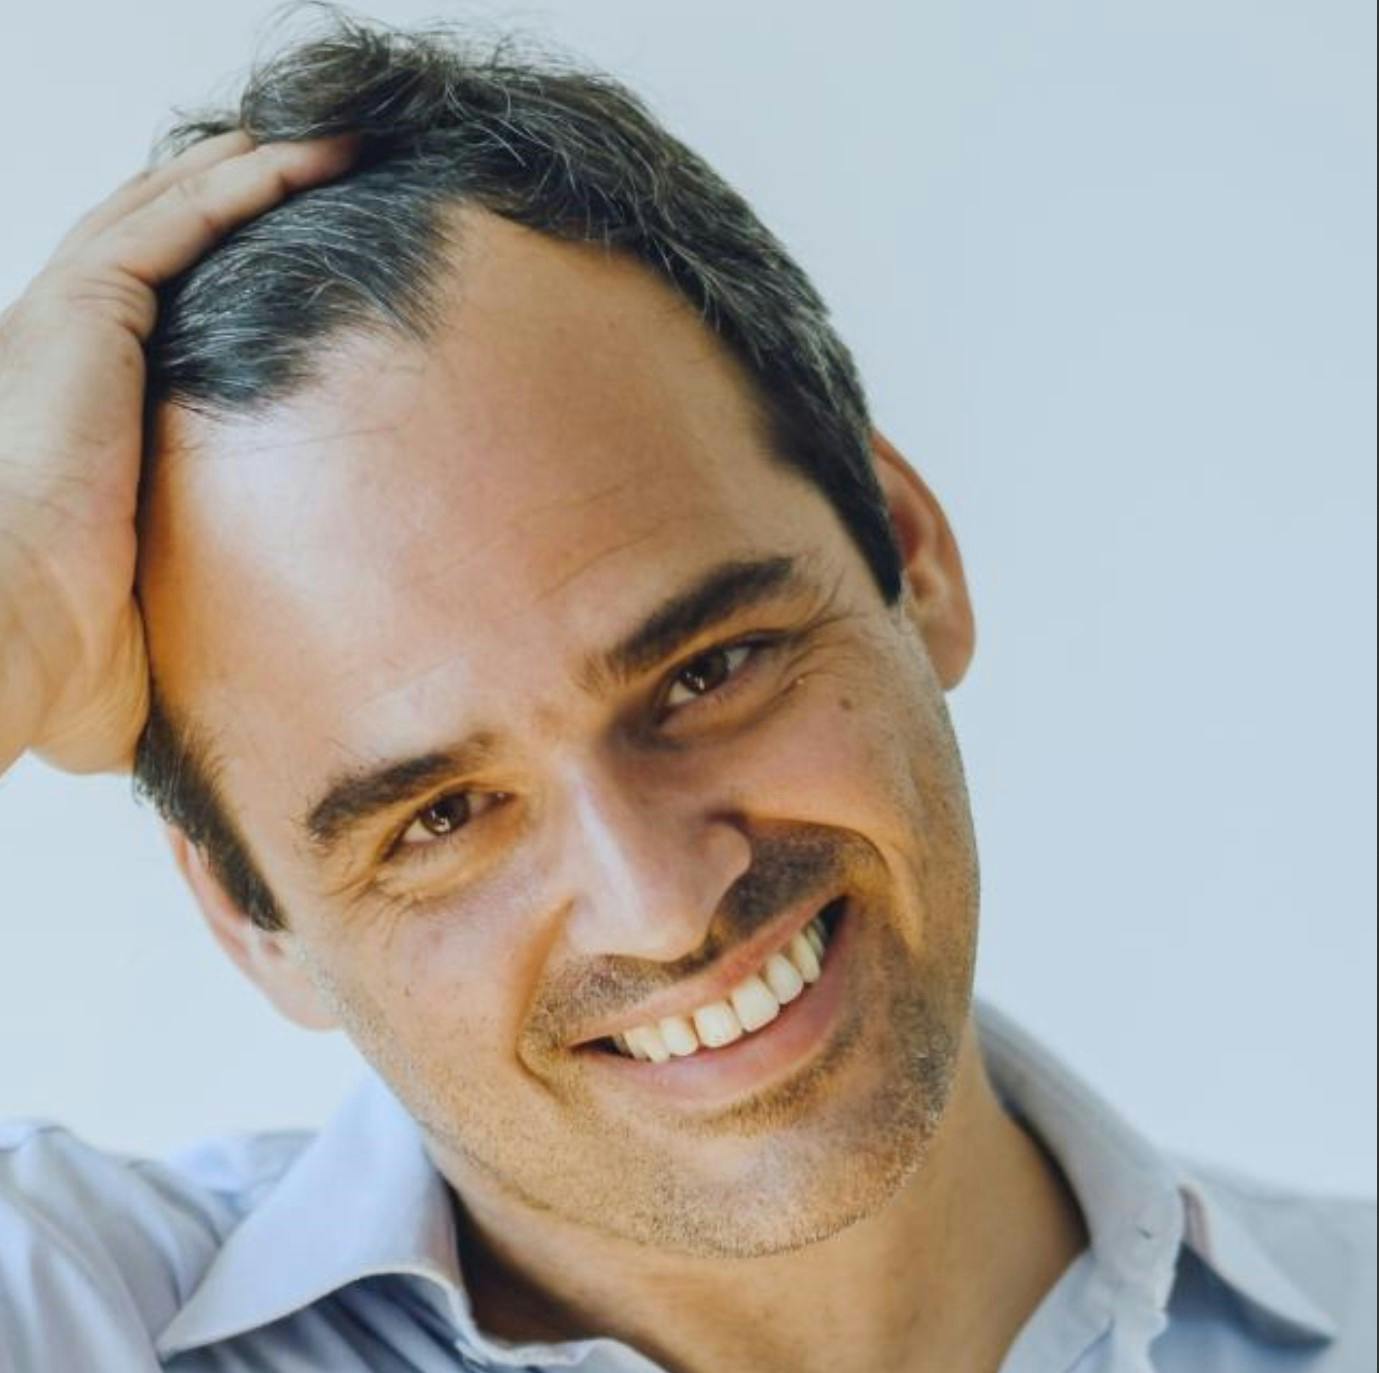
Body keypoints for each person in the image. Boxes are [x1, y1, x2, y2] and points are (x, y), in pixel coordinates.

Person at [0, 11, 1371, 1373]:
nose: (660, 902)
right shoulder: (77, 1317)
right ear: (253, 920)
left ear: (910, 550)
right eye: (440, 816)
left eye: (704, 672)